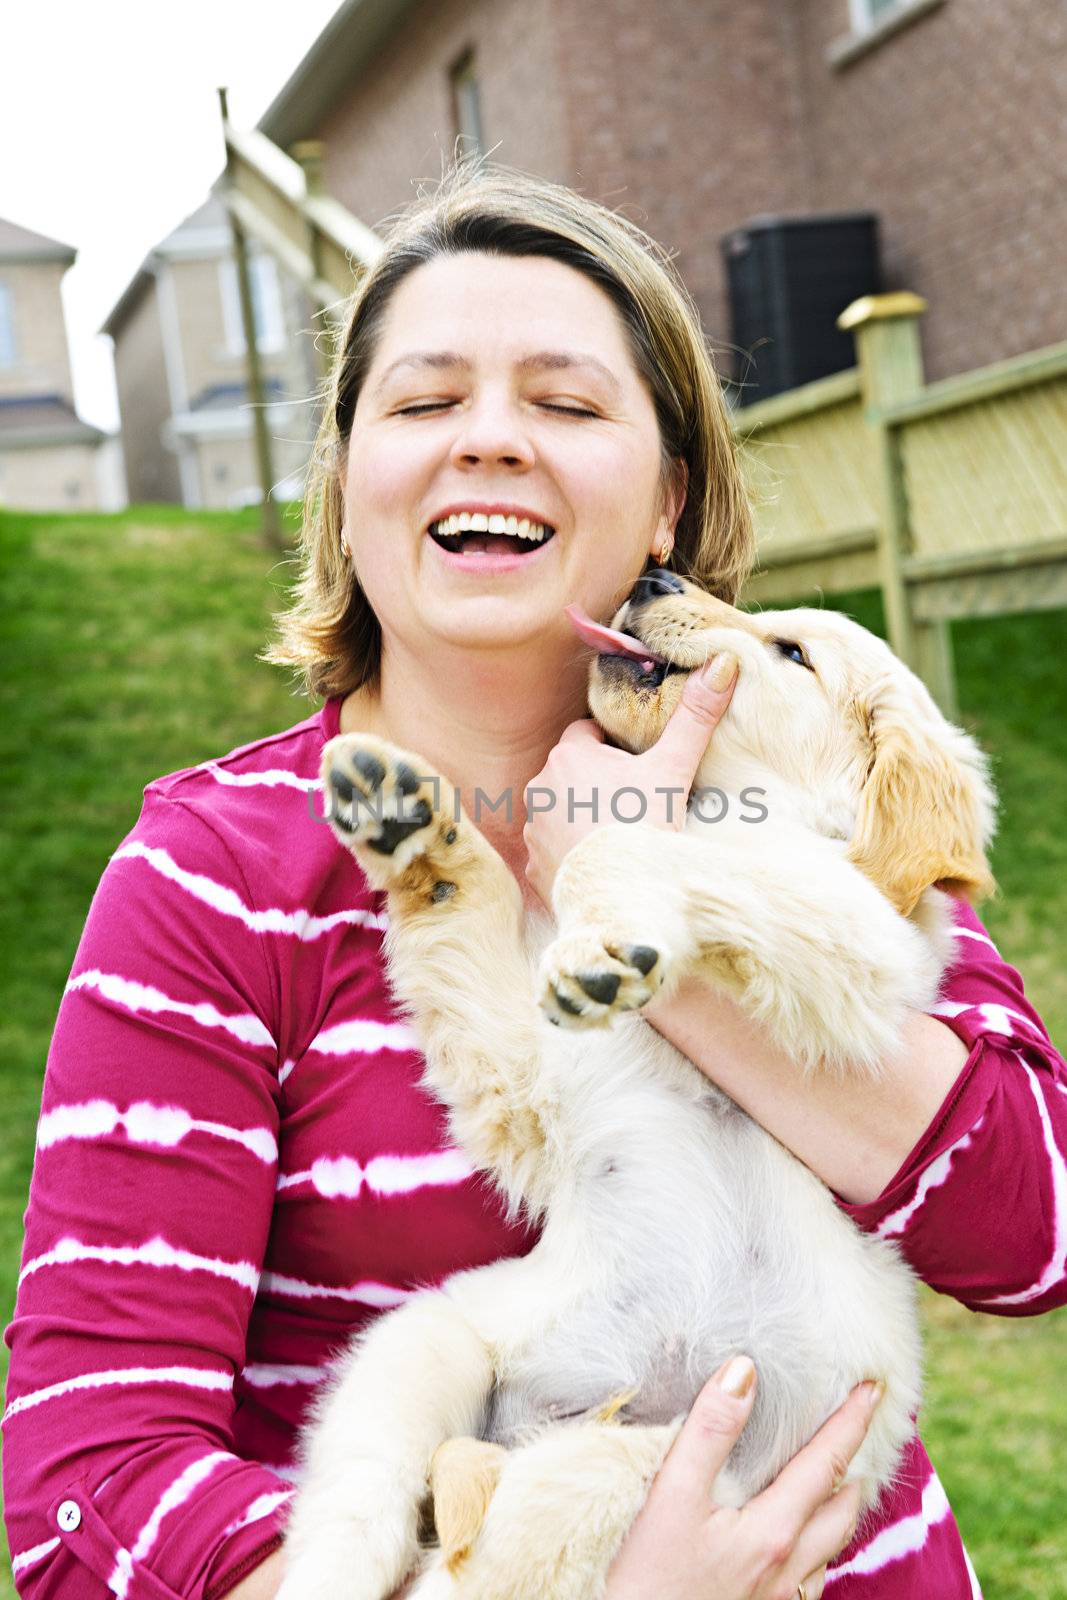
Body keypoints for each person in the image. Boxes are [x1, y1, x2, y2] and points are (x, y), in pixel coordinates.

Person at [3, 166, 1065, 1600]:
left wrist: (621, 881)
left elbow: (1033, 1232)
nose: (490, 439)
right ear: (349, 479)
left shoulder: (799, 791)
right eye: (425, 403)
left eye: (566, 404)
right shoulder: (212, 879)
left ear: (669, 500)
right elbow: (88, 1485)